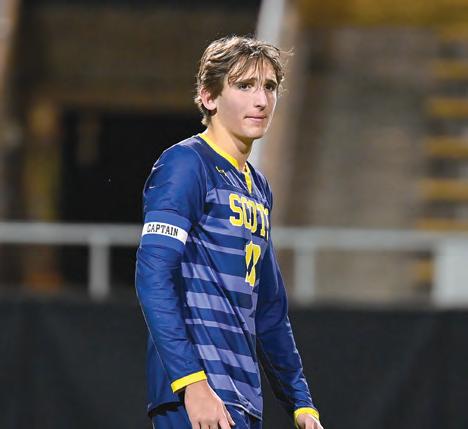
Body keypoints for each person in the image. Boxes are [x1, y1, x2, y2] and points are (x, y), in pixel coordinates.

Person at [135, 35, 323, 429]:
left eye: (269, 86)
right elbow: (152, 275)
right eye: (244, 86)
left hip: (241, 399)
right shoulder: (186, 164)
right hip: (197, 395)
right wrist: (192, 383)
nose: (261, 100)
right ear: (208, 97)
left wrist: (301, 403)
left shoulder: (257, 186)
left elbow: (269, 309)